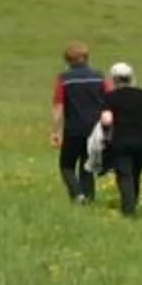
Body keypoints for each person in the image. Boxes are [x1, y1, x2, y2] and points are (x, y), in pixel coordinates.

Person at [93, 62, 142, 217]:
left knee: (125, 174)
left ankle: (128, 210)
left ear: (113, 79)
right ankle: (133, 204)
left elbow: (106, 120)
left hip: (120, 141)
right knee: (136, 173)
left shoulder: (110, 97)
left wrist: (105, 135)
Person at [53, 43, 107, 202]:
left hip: (73, 129)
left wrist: (55, 130)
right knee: (88, 165)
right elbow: (109, 99)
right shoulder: (100, 77)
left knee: (66, 165)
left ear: (68, 61)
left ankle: (77, 194)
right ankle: (89, 198)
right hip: (95, 129)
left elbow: (58, 106)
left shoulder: (64, 80)